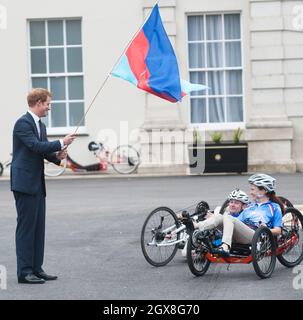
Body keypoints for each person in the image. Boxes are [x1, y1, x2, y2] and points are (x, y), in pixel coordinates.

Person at [11, 88, 76, 284]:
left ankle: (36, 269)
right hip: (24, 183)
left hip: (37, 183)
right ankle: (24, 272)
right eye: (48, 104)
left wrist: (58, 155)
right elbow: (35, 146)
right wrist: (60, 142)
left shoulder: (41, 125)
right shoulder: (22, 123)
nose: (49, 107)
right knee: (26, 228)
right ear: (38, 103)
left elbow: (43, 152)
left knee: (39, 228)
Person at [214, 173, 283, 257]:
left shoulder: (274, 207)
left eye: (253, 189)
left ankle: (225, 247)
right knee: (219, 217)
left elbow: (278, 231)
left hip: (256, 237)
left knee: (228, 218)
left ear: (263, 190)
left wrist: (266, 229)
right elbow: (236, 222)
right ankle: (197, 228)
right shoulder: (251, 207)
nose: (250, 193)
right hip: (243, 234)